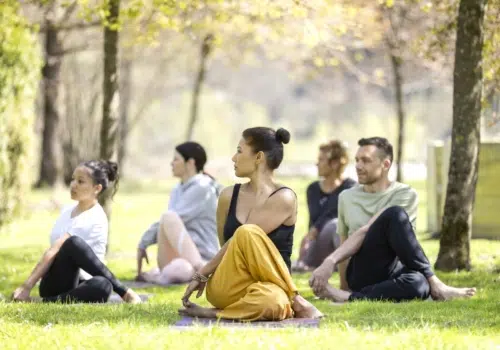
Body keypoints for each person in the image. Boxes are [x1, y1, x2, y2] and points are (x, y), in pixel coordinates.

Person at [178, 127, 323, 321]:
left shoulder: (284, 197)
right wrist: (204, 275)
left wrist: (202, 272)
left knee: (275, 303)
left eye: (239, 150)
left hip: (269, 288)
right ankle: (296, 300)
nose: (233, 158)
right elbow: (228, 247)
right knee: (245, 233)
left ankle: (214, 313)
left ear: (258, 157)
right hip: (229, 285)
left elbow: (243, 236)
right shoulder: (228, 196)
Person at [309, 137, 477, 302]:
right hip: (363, 269)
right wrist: (342, 283)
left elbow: (379, 232)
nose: (358, 166)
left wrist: (337, 288)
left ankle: (352, 298)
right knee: (394, 214)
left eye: (366, 161)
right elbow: (346, 240)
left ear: (386, 164)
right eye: (357, 160)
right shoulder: (346, 197)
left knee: (419, 284)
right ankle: (436, 283)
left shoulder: (405, 194)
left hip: (396, 268)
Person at [12, 160, 142, 304]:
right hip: (56, 282)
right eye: (73, 179)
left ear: (97, 188)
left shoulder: (95, 216)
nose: (73, 185)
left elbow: (59, 248)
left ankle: (45, 302)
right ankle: (124, 292)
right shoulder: (67, 210)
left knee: (103, 285)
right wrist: (27, 286)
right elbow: (54, 250)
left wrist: (27, 286)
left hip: (84, 284)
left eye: (80, 181)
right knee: (72, 243)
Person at [136, 142, 221, 285]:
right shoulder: (177, 189)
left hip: (203, 258)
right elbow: (168, 228)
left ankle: (201, 271)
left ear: (190, 162)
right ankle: (172, 274)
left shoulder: (202, 188)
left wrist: (143, 243)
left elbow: (172, 220)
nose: (171, 163)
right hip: (181, 257)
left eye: (176, 159)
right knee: (176, 269)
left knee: (168, 217)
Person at [293, 140, 356, 272]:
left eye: (321, 160)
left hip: (339, 242)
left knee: (336, 224)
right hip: (317, 244)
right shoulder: (313, 189)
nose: (317, 163)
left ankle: (348, 268)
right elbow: (314, 222)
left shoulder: (350, 188)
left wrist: (315, 229)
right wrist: (310, 237)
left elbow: (336, 212)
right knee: (333, 224)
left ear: (334, 164)